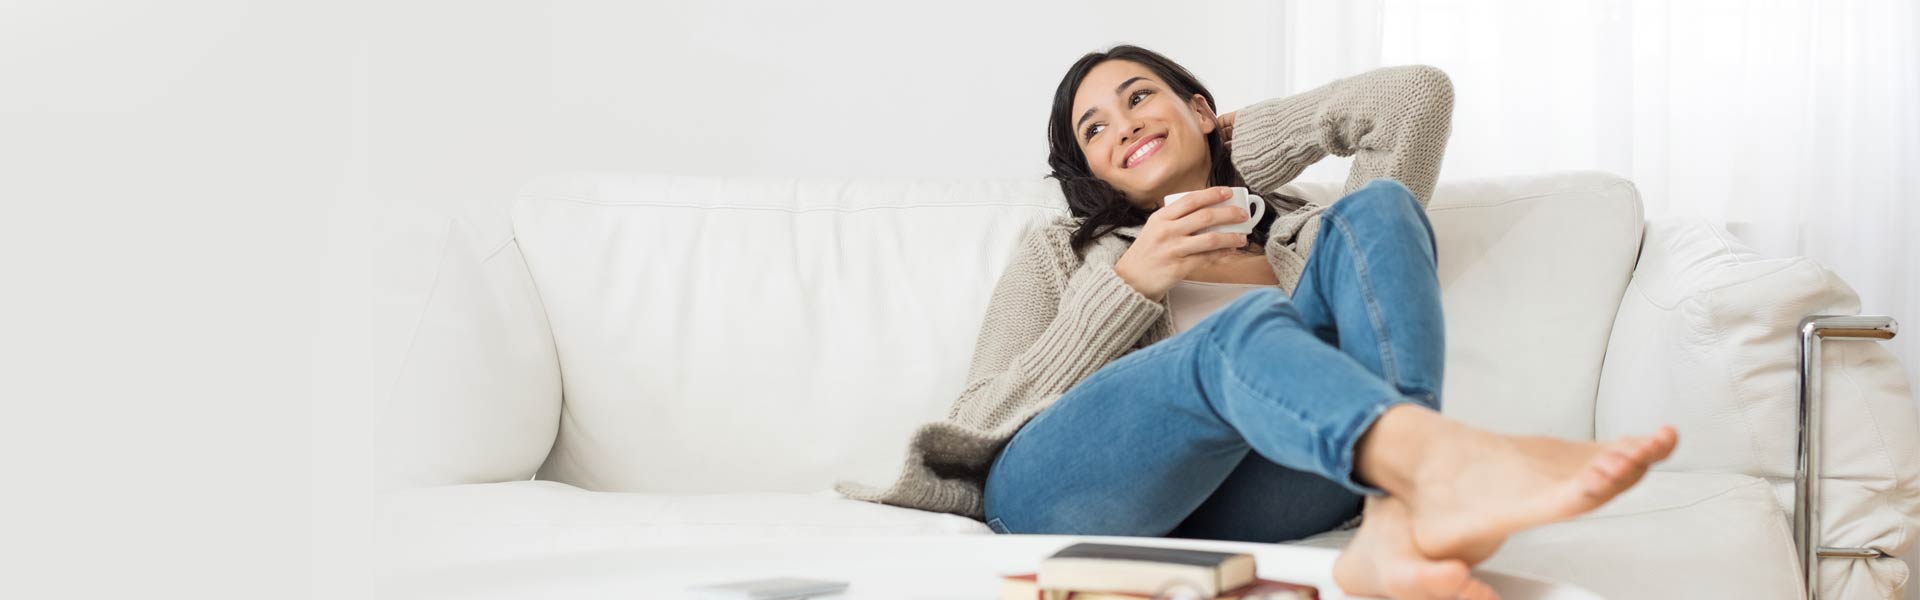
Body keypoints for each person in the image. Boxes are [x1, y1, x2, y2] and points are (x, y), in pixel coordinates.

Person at [835, 44, 1677, 600]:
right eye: (1096, 129)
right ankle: (1436, 473)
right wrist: (1131, 283)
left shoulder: (1307, 232)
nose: (1123, 124)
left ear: (1201, 109)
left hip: (1255, 495)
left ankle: (1396, 515)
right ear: (1088, 167)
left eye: (1140, 99)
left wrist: (1240, 149)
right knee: (1236, 337)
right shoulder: (1065, 249)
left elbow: (1414, 97)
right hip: (1070, 490)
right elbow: (982, 413)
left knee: (1381, 206)